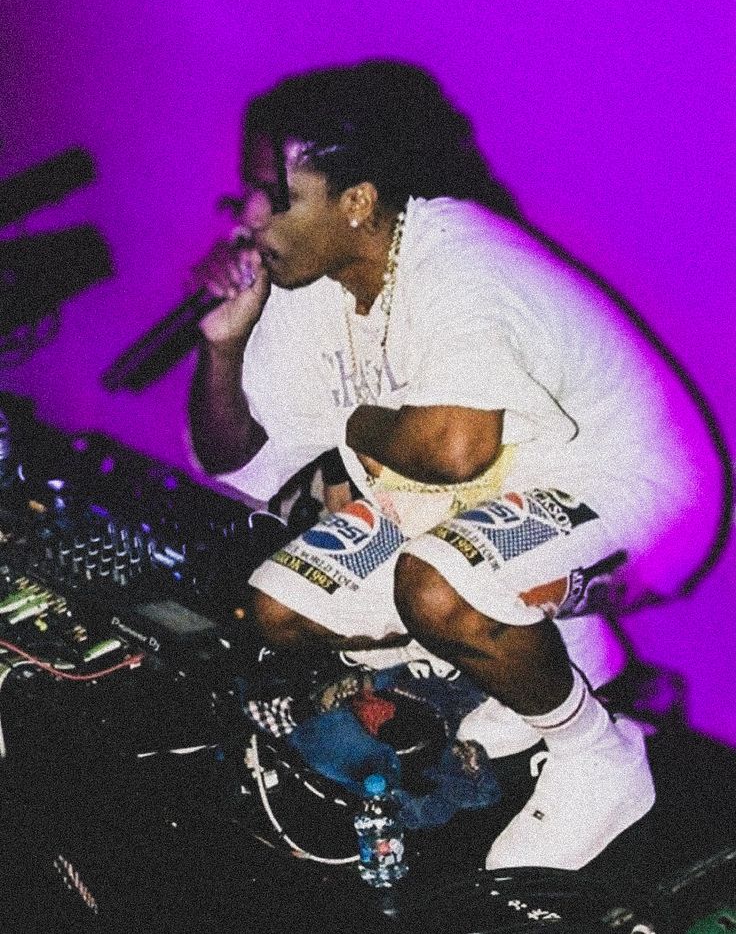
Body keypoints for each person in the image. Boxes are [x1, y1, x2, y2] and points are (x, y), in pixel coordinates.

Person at [188, 59, 720, 871]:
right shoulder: (318, 286)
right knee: (280, 607)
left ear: (357, 201)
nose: (249, 216)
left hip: (635, 489)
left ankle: (600, 757)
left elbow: (453, 447)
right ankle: (555, 654)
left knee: (437, 589)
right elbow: (241, 457)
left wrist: (357, 423)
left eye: (277, 194)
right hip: (482, 503)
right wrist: (222, 345)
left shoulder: (458, 258)